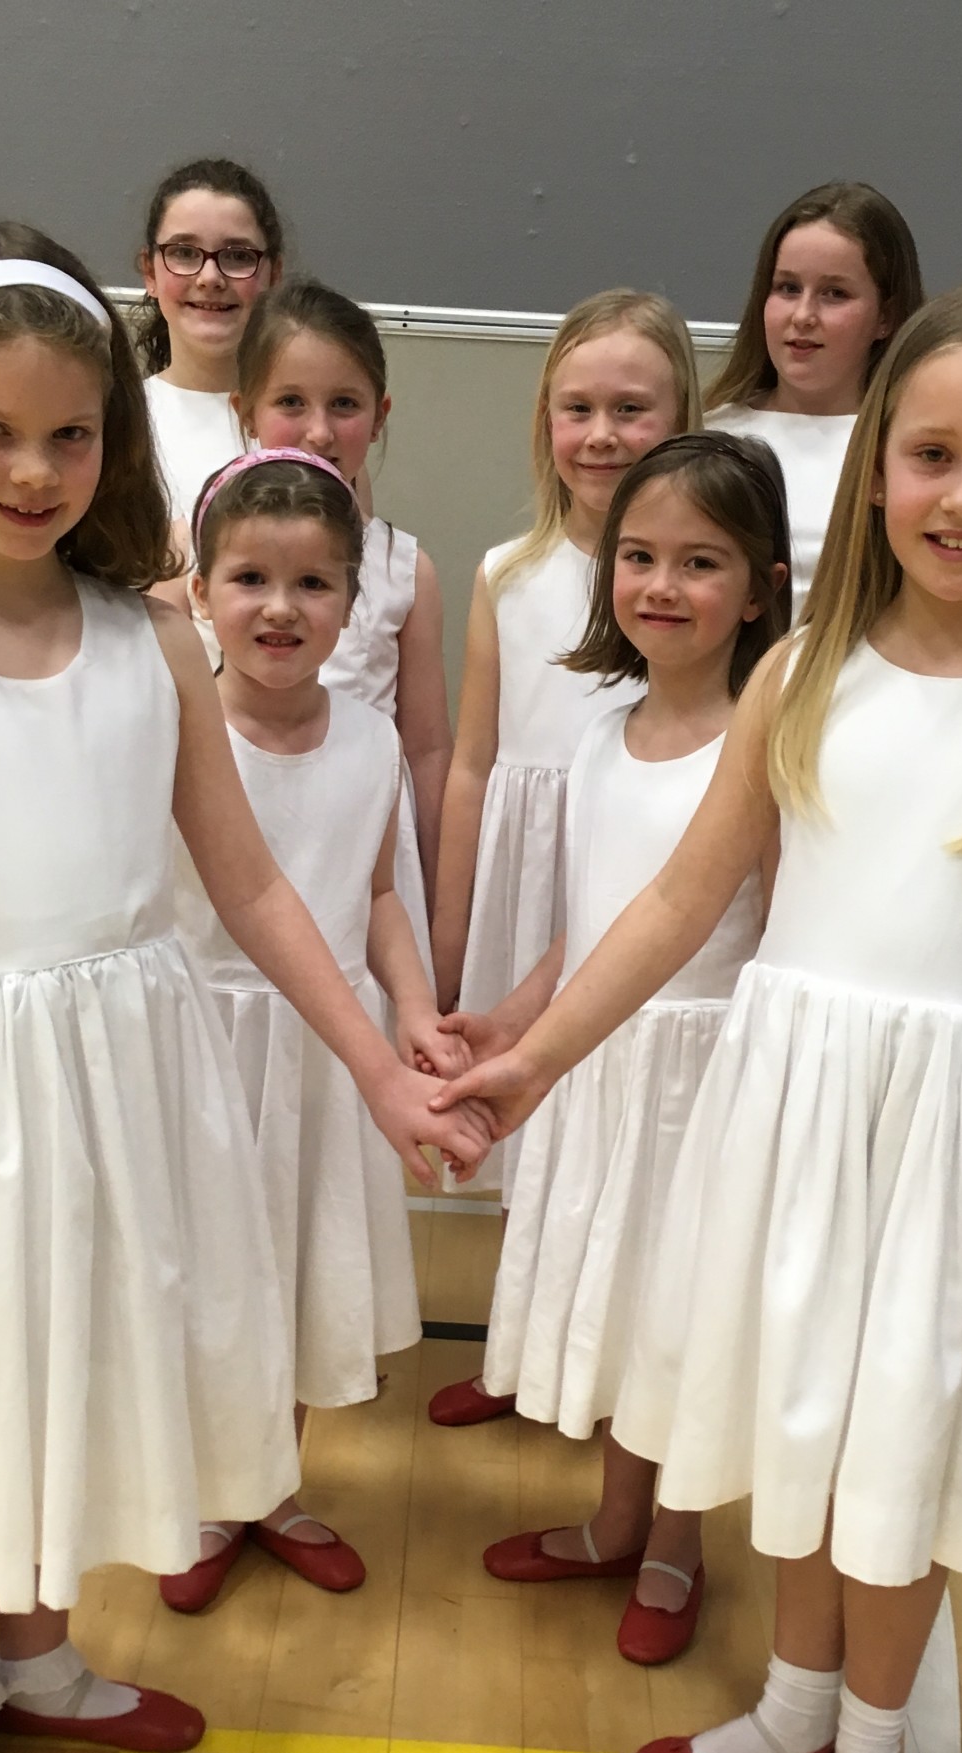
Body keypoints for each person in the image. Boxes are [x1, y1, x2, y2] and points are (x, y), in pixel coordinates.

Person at [0, 218, 487, 1753]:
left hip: (111, 1082)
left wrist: (380, 1065)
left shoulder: (153, 640)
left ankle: (49, 1661)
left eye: (70, 433)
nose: (33, 469)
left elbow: (253, 884)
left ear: (118, 437)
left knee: (71, 1370)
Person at [432, 279, 962, 1753]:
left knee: (905, 1448)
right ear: (880, 464)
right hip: (794, 1113)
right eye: (932, 455)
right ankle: (789, 1705)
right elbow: (679, 902)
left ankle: (874, 1745)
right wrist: (532, 1058)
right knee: (804, 1424)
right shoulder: (805, 673)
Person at [448, 434, 788, 1664]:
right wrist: (512, 1018)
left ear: (758, 589)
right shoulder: (601, 731)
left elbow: (772, 932)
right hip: (597, 1071)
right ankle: (613, 1522)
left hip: (699, 1082)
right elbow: (591, 929)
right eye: (639, 556)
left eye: (700, 562)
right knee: (617, 1297)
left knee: (680, 1315)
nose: (661, 584)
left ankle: (674, 1547)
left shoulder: (763, 742)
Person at [162, 448, 467, 1610]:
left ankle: (272, 1486)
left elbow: (378, 894)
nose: (280, 608)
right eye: (249, 579)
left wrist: (417, 1010)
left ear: (353, 599)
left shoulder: (370, 739)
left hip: (327, 1055)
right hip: (204, 1049)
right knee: (209, 1281)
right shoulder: (176, 727)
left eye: (312, 584)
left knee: (296, 1270)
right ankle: (205, 1492)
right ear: (201, 592)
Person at [425, 290, 700, 1283]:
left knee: (627, 1127)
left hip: (636, 880)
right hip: (526, 884)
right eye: (577, 409)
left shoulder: (693, 584)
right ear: (545, 421)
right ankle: (530, 1325)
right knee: (526, 1130)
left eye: (631, 409)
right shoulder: (508, 575)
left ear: (681, 418)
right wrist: (448, 942)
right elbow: (471, 764)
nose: (601, 435)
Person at [234, 278, 451, 965]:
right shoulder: (201, 558)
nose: (320, 431)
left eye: (344, 405)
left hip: (361, 855)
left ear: (379, 416)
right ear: (246, 409)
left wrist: (441, 904)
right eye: (291, 402)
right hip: (240, 833)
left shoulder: (403, 568)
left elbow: (427, 749)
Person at [706, 181, 922, 615]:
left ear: (885, 317)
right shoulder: (709, 436)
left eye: (834, 294)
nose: (803, 316)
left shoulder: (913, 449)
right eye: (787, 288)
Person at [134, 156, 284, 525]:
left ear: (274, 275)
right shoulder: (117, 418)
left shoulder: (311, 425)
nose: (210, 277)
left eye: (238, 256)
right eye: (184, 253)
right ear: (150, 272)